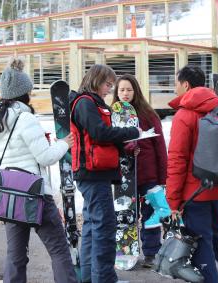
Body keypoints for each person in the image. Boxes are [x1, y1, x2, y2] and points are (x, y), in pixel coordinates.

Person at [0, 58, 77, 283]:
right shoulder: (25, 118)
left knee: (15, 255)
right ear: (23, 93)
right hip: (35, 195)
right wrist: (65, 142)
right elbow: (46, 156)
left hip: (9, 194)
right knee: (58, 250)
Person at [166, 65, 218, 283]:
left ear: (185, 85)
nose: (175, 89)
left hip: (194, 194)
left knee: (202, 246)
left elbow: (177, 160)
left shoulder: (184, 115)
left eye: (176, 84)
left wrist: (173, 200)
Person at [70, 65, 141, 283]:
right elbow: (99, 133)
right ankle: (104, 278)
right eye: (108, 85)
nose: (109, 90)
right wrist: (132, 132)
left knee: (93, 226)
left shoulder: (89, 102)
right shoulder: (85, 103)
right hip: (92, 173)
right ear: (96, 80)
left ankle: (90, 277)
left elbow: (98, 137)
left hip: (94, 173)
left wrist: (124, 147)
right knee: (104, 227)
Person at [112, 74, 168, 268]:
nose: (125, 93)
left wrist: (162, 177)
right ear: (116, 92)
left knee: (150, 212)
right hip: (124, 177)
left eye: (129, 89)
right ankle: (126, 251)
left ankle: (152, 253)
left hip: (148, 174)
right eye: (121, 90)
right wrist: (126, 149)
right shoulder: (112, 115)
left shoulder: (148, 114)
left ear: (136, 91)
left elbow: (160, 146)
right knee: (126, 213)